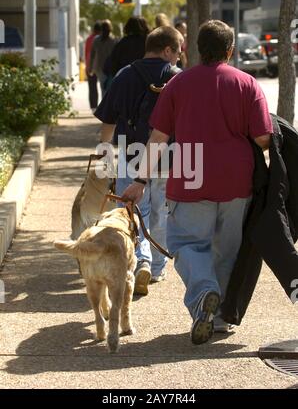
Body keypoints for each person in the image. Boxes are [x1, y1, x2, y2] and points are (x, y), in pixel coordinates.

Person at [121, 20, 273, 344]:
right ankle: (218, 320)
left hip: (191, 174)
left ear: (194, 49)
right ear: (230, 50)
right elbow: (262, 138)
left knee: (187, 243)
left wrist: (140, 180)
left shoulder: (178, 84)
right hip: (236, 180)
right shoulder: (248, 84)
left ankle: (204, 293)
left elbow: (158, 137)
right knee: (226, 251)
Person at [94, 26, 183, 295]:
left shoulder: (124, 75)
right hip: (169, 158)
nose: (179, 57)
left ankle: (140, 260)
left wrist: (104, 155)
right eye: (178, 51)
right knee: (161, 212)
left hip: (131, 156)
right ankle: (156, 268)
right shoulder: (178, 79)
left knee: (132, 212)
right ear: (167, 50)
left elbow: (108, 119)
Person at [89, 19, 116, 97]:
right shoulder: (113, 40)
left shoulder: (96, 40)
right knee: (110, 89)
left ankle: (104, 106)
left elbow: (92, 55)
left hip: (100, 68)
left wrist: (90, 68)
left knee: (103, 89)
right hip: (111, 68)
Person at [85, 21, 101, 111]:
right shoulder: (102, 38)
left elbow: (87, 53)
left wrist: (87, 66)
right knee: (104, 87)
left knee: (92, 87)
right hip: (101, 66)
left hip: (90, 65)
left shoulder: (89, 39)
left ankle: (93, 107)